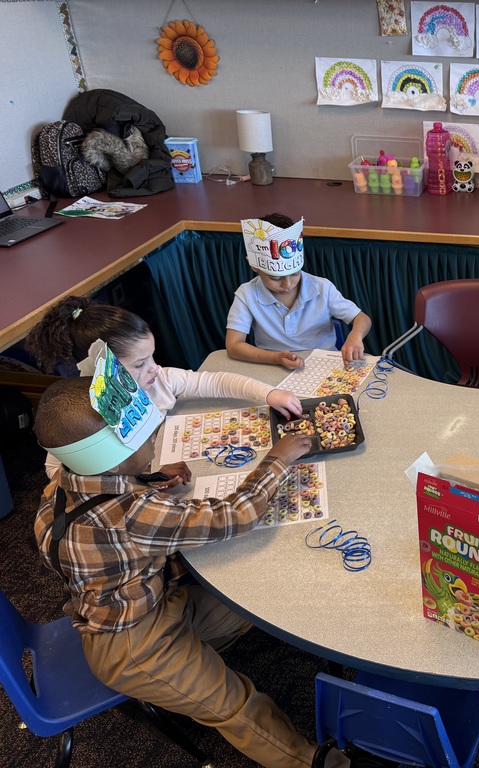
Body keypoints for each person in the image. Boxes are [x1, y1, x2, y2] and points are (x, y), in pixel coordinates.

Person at [33, 375, 349, 768]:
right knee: (236, 706)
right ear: (113, 453)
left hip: (151, 607)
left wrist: (148, 479)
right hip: (133, 648)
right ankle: (316, 763)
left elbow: (102, 507)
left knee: (257, 600)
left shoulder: (57, 489)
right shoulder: (135, 515)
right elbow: (237, 514)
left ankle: (195, 658)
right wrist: (278, 459)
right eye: (146, 439)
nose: (153, 442)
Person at [24, 295, 302, 480]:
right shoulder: (80, 420)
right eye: (140, 363)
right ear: (101, 372)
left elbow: (214, 381)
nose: (154, 368)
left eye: (152, 357)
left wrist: (269, 393)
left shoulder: (159, 380)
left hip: (161, 474)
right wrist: (140, 481)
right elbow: (55, 472)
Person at [226, 213, 372, 370]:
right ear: (254, 265)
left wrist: (355, 335)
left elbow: (362, 318)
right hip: (272, 366)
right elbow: (234, 345)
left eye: (294, 274)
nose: (287, 285)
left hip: (326, 366)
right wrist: (275, 358)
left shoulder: (322, 287)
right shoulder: (246, 294)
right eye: (275, 278)